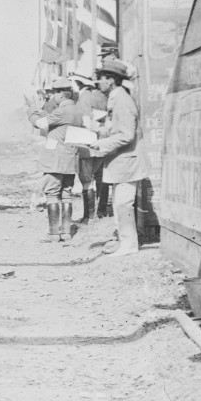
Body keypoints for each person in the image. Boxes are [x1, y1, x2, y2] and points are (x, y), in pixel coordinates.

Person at [82, 59, 150, 256]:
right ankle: (125, 243)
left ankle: (129, 246)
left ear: (111, 80)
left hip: (128, 161)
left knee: (123, 204)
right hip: (121, 162)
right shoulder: (115, 98)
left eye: (101, 79)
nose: (97, 83)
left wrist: (100, 144)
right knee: (121, 204)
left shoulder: (122, 101)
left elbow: (127, 135)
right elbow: (116, 129)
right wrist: (98, 130)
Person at [27, 77, 83, 243]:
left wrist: (32, 108)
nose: (52, 98)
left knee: (52, 194)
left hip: (55, 160)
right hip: (70, 158)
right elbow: (54, 122)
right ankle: (66, 233)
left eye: (54, 94)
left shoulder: (62, 111)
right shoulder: (75, 109)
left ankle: (53, 234)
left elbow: (39, 123)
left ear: (60, 95)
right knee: (66, 194)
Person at [71, 73, 107, 222]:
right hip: (101, 143)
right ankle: (102, 211)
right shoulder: (99, 97)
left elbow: (86, 121)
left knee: (87, 181)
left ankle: (89, 217)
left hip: (86, 143)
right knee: (100, 178)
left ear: (79, 83)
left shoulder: (84, 97)